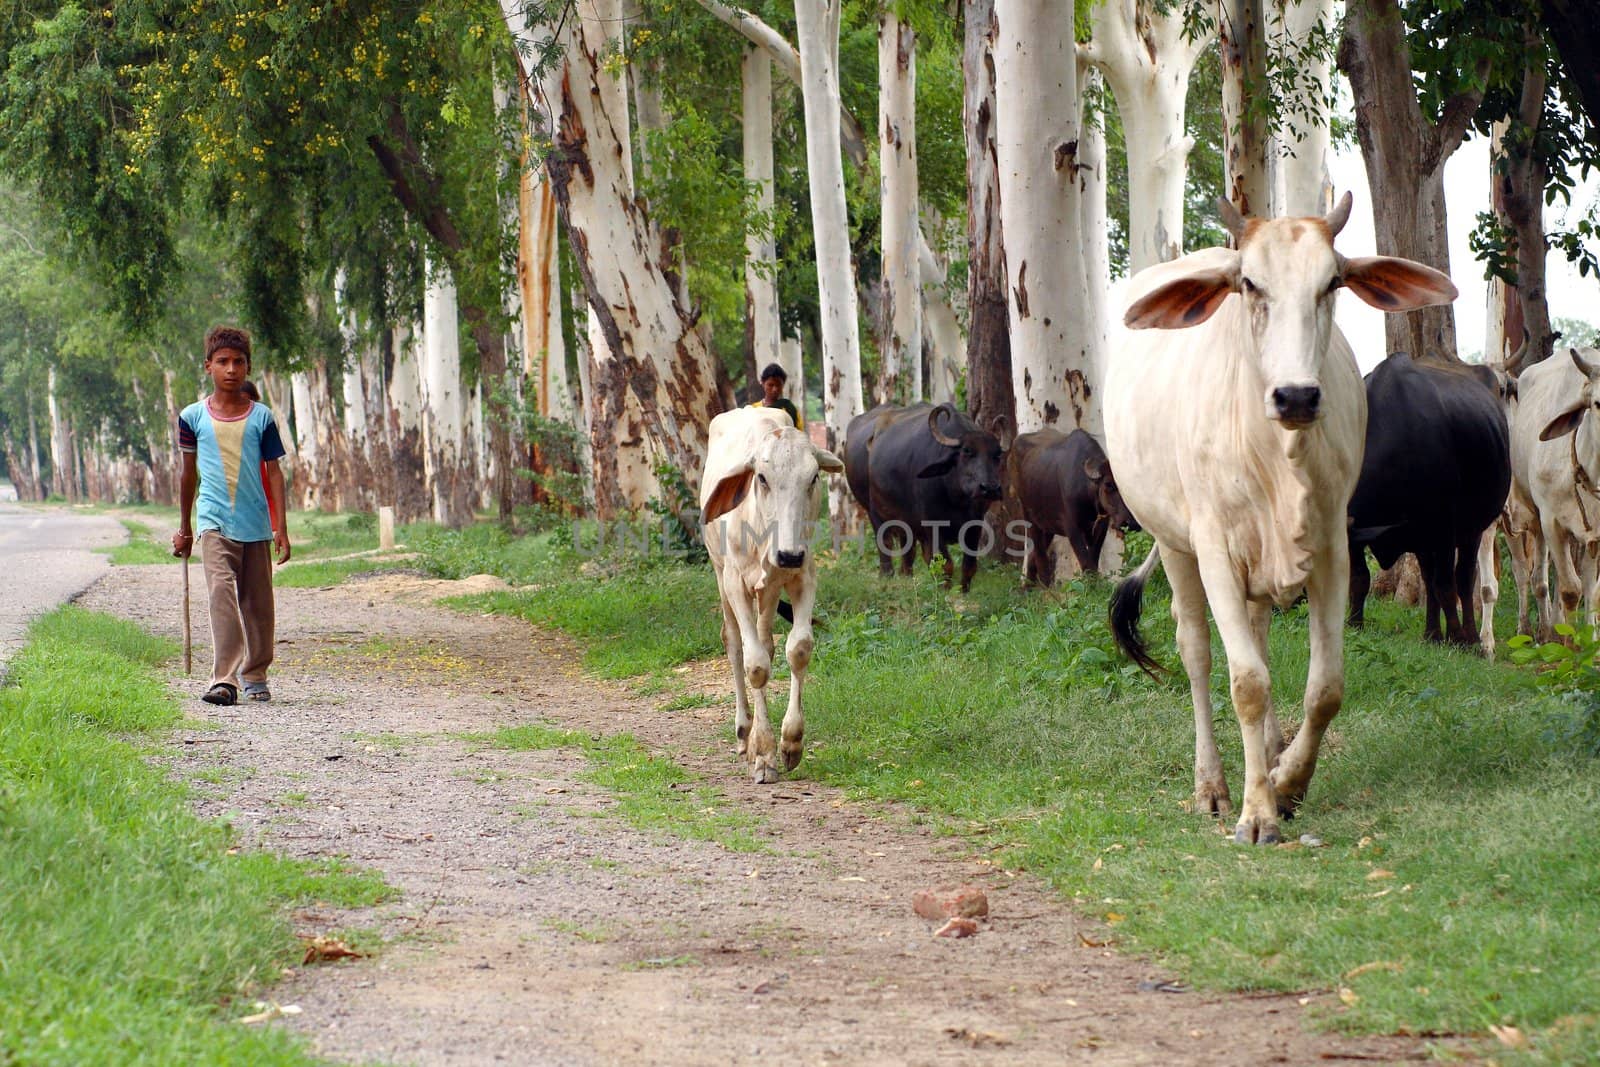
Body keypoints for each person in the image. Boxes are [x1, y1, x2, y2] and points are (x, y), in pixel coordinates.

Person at [171, 327, 291, 706]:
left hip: (255, 524)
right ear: (208, 366)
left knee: (258, 603)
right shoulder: (191, 418)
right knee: (221, 594)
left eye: (238, 362)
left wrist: (281, 528)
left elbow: (274, 472)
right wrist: (184, 527)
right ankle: (224, 679)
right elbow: (188, 473)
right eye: (222, 361)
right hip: (213, 522)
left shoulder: (262, 417)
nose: (231, 369)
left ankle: (255, 672)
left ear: (247, 367)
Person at [750, 362, 803, 429]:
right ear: (763, 383)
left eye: (778, 385)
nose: (775, 389)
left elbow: (798, 433)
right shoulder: (754, 409)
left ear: (783, 385)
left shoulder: (789, 409)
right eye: (770, 385)